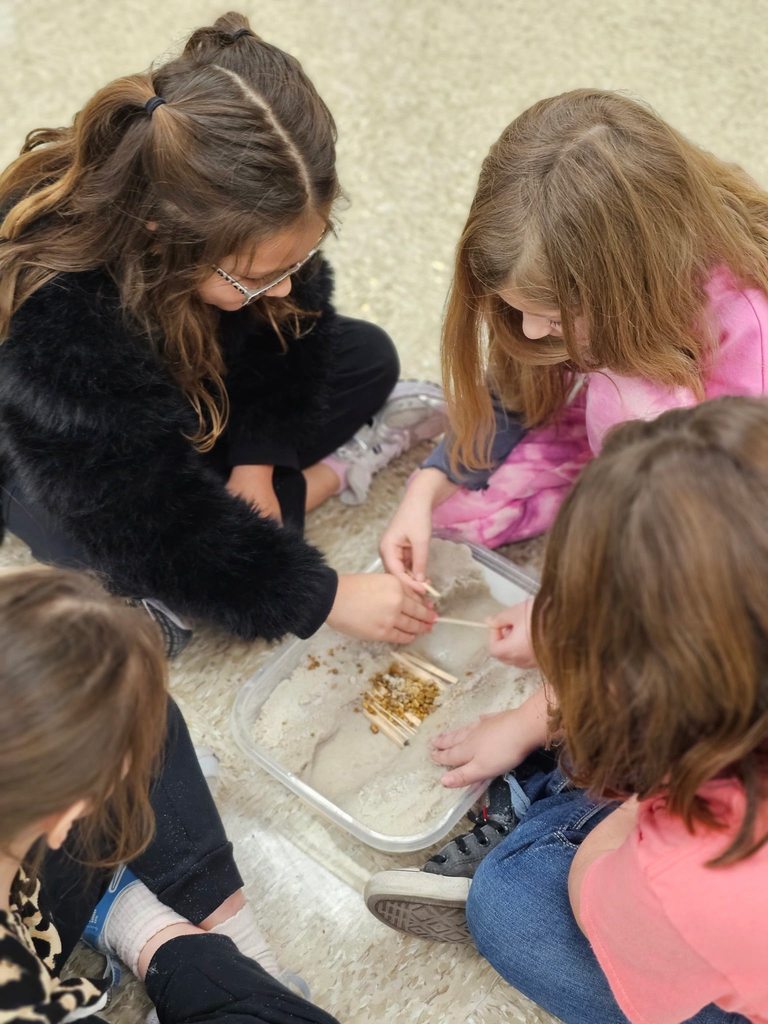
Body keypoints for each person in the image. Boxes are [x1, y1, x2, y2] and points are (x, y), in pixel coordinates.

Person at [0, 12, 443, 656]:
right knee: (117, 549)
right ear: (163, 234)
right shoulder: (58, 313)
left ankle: (236, 534)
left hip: (175, 403)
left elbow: (298, 322)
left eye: (298, 259)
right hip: (45, 452)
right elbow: (131, 509)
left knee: (369, 358)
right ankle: (265, 523)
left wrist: (258, 463)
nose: (288, 284)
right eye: (261, 274)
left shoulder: (258, 210)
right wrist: (320, 597)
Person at [366, 397, 768, 1024]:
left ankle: (547, 806)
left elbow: (593, 889)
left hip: (686, 907)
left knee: (508, 900)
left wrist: (620, 783)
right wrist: (570, 635)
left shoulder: (690, 875)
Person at [380, 87, 768, 666]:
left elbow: (725, 538)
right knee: (451, 518)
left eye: (554, 319)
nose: (532, 334)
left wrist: (575, 624)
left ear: (628, 282)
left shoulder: (748, 331)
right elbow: (517, 389)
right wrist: (425, 487)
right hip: (640, 442)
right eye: (519, 312)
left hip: (715, 502)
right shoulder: (596, 281)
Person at [0, 564, 340, 1023]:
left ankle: (160, 922)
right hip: (35, 950)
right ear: (69, 816)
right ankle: (173, 936)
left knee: (138, 708)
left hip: (30, 884)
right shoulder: (23, 1008)